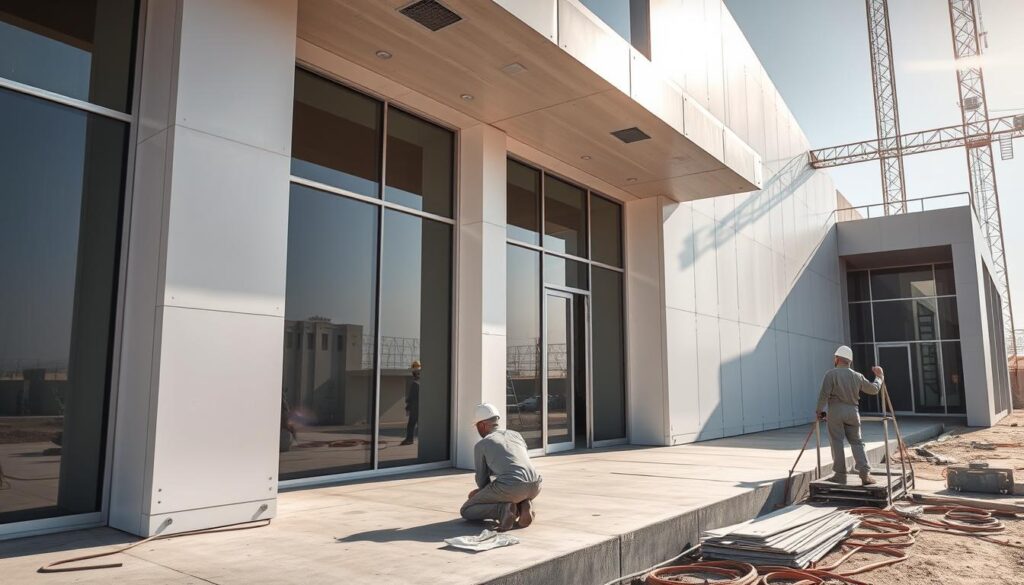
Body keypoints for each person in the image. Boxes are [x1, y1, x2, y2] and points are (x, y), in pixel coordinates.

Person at [460, 403, 542, 531]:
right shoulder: (516, 434)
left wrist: (479, 495)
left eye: (477, 426)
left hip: (513, 486)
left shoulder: (482, 444)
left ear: (482, 425)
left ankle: (503, 510)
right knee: (513, 489)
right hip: (535, 485)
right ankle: (524, 504)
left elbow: (482, 481)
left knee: (467, 510)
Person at [816, 345, 885, 486]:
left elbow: (823, 395)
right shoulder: (857, 376)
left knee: (836, 442)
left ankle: (840, 475)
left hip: (835, 411)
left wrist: (819, 412)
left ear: (837, 359)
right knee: (857, 442)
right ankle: (865, 474)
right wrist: (879, 377)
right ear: (850, 361)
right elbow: (873, 389)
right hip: (853, 411)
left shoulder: (831, 374)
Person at [400, 360, 421, 446]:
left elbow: (412, 398)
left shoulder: (415, 383)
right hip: (422, 407)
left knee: (411, 424)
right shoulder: (422, 382)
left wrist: (408, 408)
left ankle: (409, 440)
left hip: (415, 408)